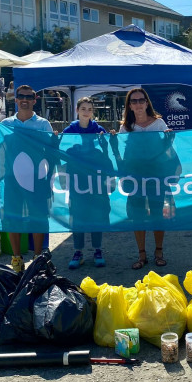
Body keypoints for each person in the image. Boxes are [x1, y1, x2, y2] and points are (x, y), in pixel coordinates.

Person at [0, 85, 54, 273]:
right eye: (21, 96)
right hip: (12, 179)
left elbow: (51, 151)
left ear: (34, 100)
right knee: (13, 218)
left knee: (38, 217)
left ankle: (38, 258)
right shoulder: (6, 124)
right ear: (15, 100)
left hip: (37, 178)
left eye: (28, 97)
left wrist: (49, 179)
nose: (24, 99)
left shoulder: (43, 124)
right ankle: (16, 258)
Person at [115, 88, 171, 270]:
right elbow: (123, 153)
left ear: (147, 102)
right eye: (134, 101)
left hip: (156, 175)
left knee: (157, 214)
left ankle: (159, 252)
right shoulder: (125, 127)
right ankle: (142, 255)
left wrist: (169, 140)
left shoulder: (159, 123)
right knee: (137, 215)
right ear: (129, 106)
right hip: (135, 175)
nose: (138, 104)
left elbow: (166, 152)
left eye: (141, 100)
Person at [62, 96, 109, 269]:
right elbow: (62, 153)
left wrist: (108, 140)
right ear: (77, 110)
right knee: (78, 216)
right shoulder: (69, 131)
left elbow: (106, 154)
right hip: (77, 181)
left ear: (93, 112)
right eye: (83, 109)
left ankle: (98, 250)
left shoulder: (99, 130)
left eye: (89, 109)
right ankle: (78, 252)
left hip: (96, 181)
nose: (86, 112)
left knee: (97, 215)